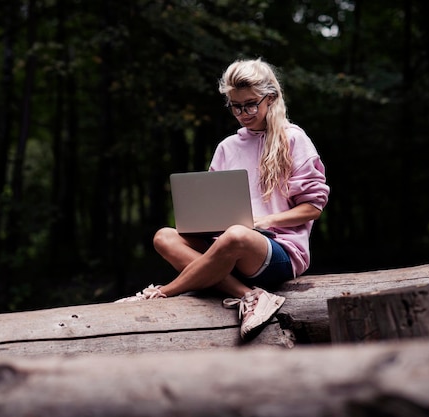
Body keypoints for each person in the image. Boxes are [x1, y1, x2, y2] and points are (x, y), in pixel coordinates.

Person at [116, 58, 330, 340]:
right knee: (164, 237)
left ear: (271, 98)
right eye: (236, 106)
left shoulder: (293, 139)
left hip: (278, 251)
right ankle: (250, 296)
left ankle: (162, 292)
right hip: (228, 246)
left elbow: (313, 208)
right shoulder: (227, 147)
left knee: (236, 236)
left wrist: (264, 220)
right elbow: (212, 205)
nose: (243, 113)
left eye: (251, 104)